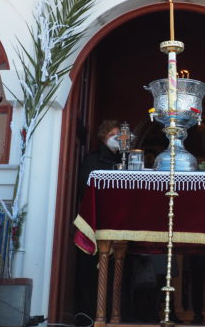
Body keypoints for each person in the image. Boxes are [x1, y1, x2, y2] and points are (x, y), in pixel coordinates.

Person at [75, 119, 122, 320]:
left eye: (119, 135)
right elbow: (84, 189)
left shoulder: (124, 160)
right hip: (95, 221)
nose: (116, 138)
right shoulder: (92, 160)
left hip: (118, 223)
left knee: (115, 270)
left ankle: (113, 314)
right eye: (112, 135)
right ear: (103, 137)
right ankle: (87, 314)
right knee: (90, 272)